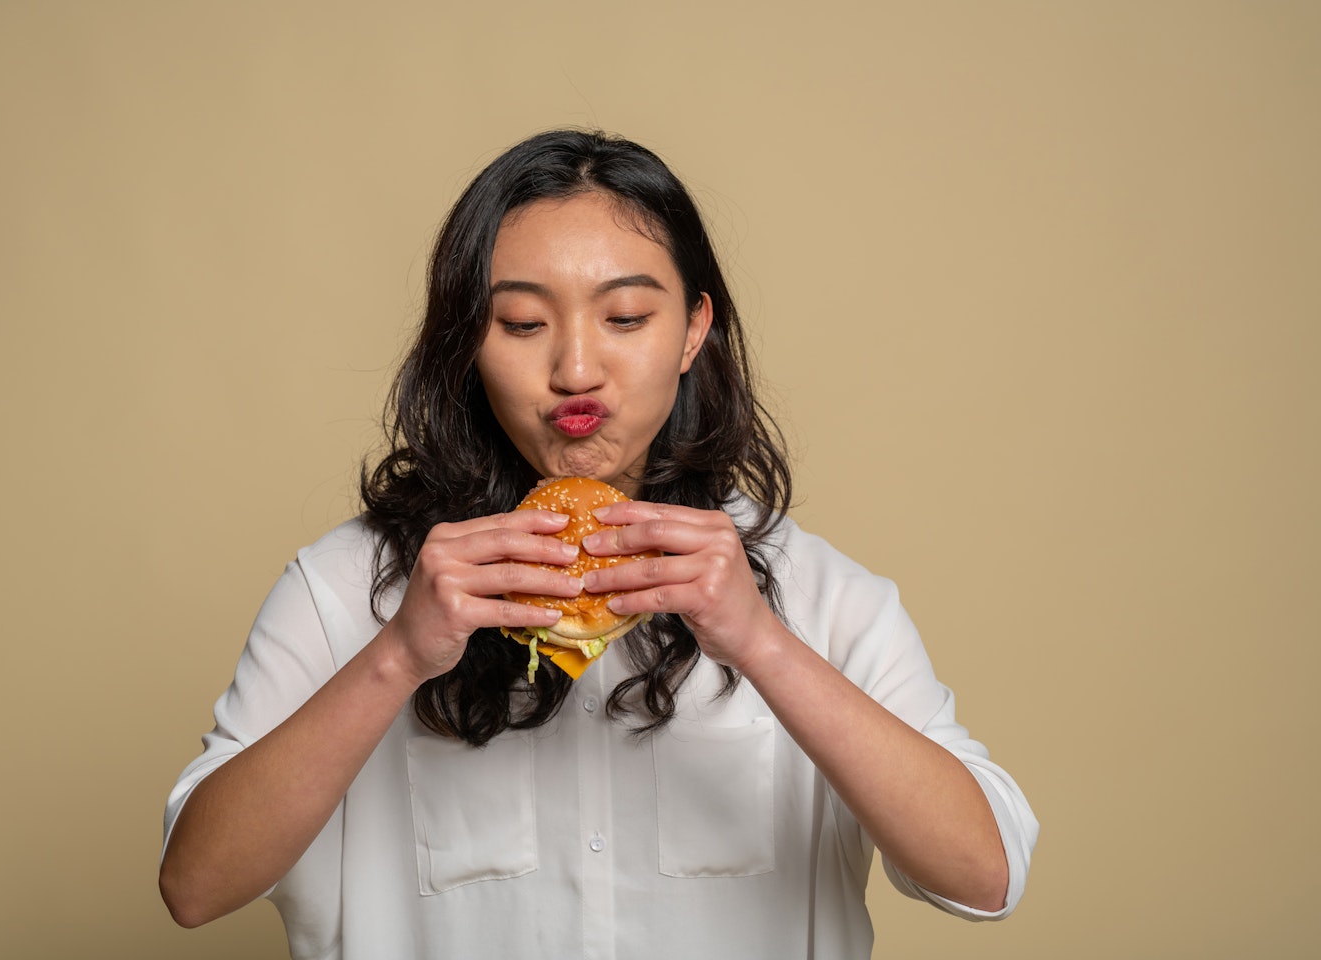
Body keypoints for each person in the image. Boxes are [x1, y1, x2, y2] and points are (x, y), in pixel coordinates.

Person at [159, 129, 1038, 959]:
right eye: (522, 324)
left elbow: (984, 876)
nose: (576, 369)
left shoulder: (819, 593)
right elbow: (195, 886)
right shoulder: (347, 589)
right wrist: (397, 655)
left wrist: (760, 642)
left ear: (693, 330)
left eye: (624, 317)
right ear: (469, 343)